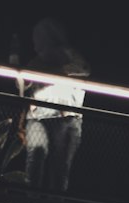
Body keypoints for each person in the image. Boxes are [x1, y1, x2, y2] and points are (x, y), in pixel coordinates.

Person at [21, 17, 90, 193]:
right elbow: (23, 85)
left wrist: (51, 74)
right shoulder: (36, 62)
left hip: (65, 117)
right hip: (38, 117)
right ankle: (29, 201)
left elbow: (83, 70)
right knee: (35, 158)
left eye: (39, 36)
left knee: (60, 167)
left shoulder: (70, 56)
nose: (36, 41)